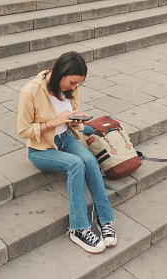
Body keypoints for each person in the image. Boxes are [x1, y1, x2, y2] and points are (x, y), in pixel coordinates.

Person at [17, 51, 117, 254]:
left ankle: (106, 220)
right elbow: (24, 130)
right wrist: (54, 122)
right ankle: (79, 228)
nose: (74, 88)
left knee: (89, 160)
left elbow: (70, 119)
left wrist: (75, 120)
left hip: (67, 140)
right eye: (71, 83)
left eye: (77, 84)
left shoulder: (72, 89)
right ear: (60, 72)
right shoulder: (30, 92)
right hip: (42, 149)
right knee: (76, 164)